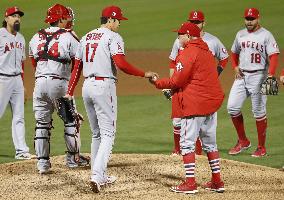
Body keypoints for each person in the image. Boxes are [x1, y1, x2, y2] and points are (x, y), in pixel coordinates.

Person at [65, 5, 157, 193]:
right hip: (103, 87)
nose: (119, 25)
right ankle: (97, 177)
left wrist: (70, 91)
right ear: (110, 20)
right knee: (108, 134)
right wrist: (144, 73)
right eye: (118, 21)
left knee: (96, 133)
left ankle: (99, 173)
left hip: (87, 87)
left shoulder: (86, 36)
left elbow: (76, 68)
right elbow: (121, 64)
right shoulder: (113, 37)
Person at [150, 22, 225, 194]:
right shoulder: (207, 51)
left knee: (186, 144)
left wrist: (158, 83)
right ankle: (217, 181)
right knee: (211, 144)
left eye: (180, 35)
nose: (178, 38)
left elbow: (177, 80)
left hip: (194, 105)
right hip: (210, 105)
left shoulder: (188, 53)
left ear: (189, 36)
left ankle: (190, 183)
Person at [29, 4, 89, 174]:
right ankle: (72, 159)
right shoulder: (69, 36)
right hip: (59, 84)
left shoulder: (35, 37)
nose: (69, 20)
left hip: (39, 84)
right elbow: (79, 63)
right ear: (61, 19)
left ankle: (43, 164)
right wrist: (67, 83)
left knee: (42, 123)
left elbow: (34, 63)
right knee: (71, 120)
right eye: (67, 17)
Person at [168, 10, 229, 156]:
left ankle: (198, 155)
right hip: (183, 86)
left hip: (201, 90)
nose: (194, 24)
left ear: (204, 23)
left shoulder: (212, 41)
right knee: (177, 121)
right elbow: (172, 62)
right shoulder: (180, 40)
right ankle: (177, 151)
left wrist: (216, 73)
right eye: (192, 22)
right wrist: (172, 83)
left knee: (199, 124)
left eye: (197, 22)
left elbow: (224, 58)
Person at [227, 8, 279, 157]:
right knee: (232, 107)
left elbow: (274, 55)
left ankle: (261, 147)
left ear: (258, 19)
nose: (249, 22)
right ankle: (243, 141)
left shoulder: (266, 35)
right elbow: (234, 51)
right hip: (242, 76)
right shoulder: (240, 34)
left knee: (258, 112)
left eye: (252, 19)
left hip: (259, 76)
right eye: (247, 19)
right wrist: (235, 67)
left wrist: (270, 75)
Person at [0, 6, 32, 159]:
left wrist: (23, 84)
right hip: (2, 80)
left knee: (19, 116)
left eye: (19, 16)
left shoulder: (21, 38)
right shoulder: (0, 35)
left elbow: (22, 64)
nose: (17, 18)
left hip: (17, 80)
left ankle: (21, 151)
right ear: (6, 19)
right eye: (13, 16)